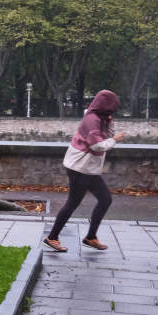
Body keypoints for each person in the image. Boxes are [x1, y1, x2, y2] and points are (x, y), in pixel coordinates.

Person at [43, 90, 126, 252]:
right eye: (111, 109)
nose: (112, 112)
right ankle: (52, 237)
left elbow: (106, 136)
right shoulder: (92, 120)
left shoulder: (100, 119)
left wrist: (110, 124)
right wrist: (115, 141)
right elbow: (97, 145)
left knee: (105, 199)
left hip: (88, 169)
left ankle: (91, 237)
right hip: (80, 168)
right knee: (73, 202)